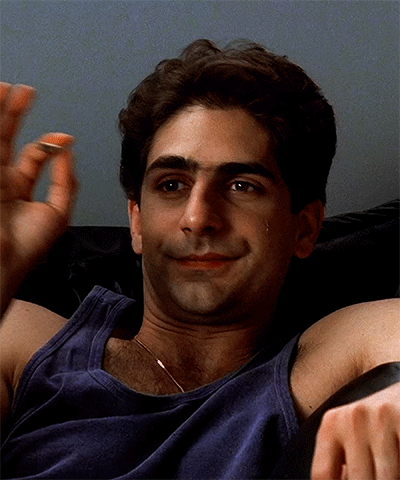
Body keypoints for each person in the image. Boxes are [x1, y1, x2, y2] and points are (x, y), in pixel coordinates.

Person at [0, 39, 399, 479]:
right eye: (171, 184)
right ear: (137, 221)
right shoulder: (24, 344)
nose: (198, 218)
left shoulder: (325, 359)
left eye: (242, 186)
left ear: (304, 228)